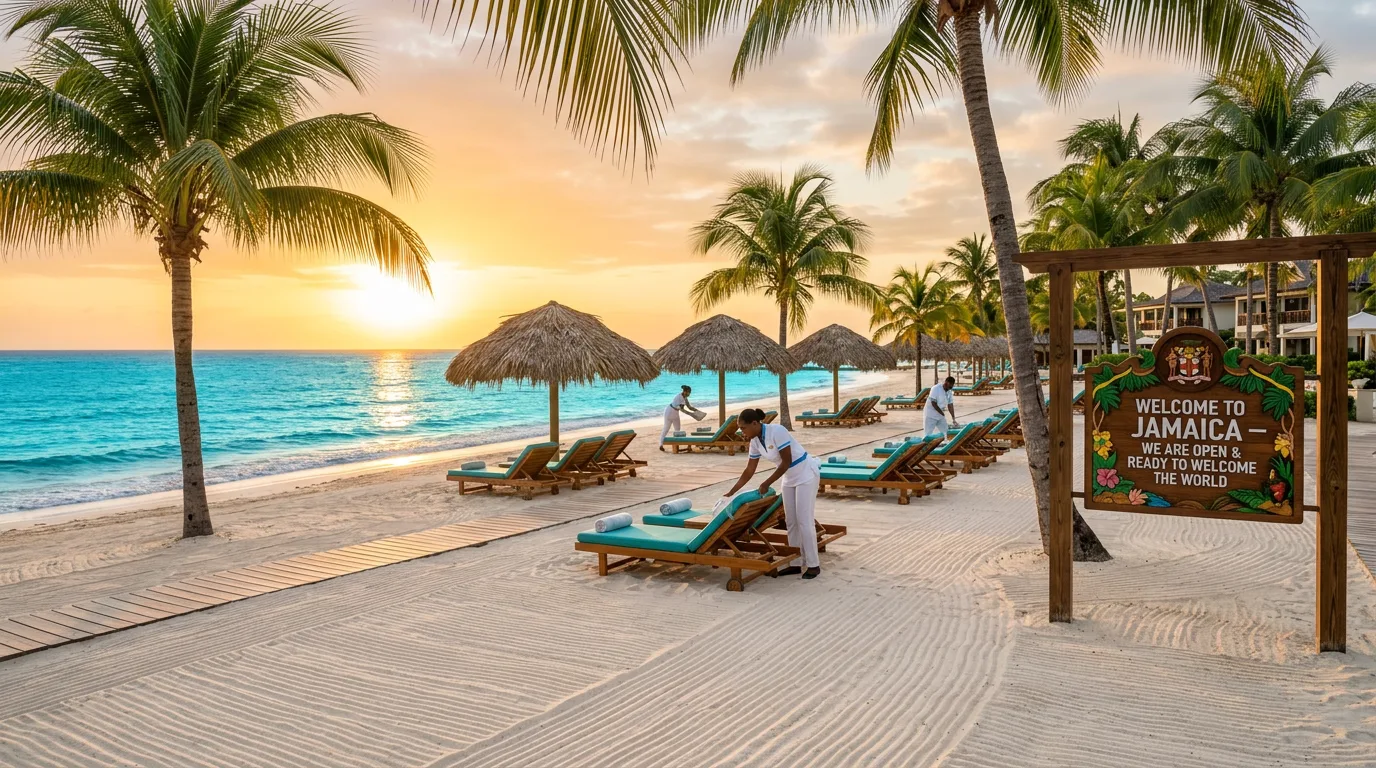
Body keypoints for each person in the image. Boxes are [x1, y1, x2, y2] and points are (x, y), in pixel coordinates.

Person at [723, 408, 822, 579]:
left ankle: (813, 565)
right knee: (791, 521)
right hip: (789, 477)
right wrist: (731, 492)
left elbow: (786, 462)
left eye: (743, 428)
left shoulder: (777, 431)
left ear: (755, 423)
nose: (742, 431)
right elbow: (749, 470)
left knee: (804, 520)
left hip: (805, 473)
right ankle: (796, 563)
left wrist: (767, 483)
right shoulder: (755, 441)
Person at [659, 385, 694, 450]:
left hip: (676, 413)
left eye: (690, 392)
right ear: (684, 391)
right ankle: (661, 445)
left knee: (677, 429)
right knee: (666, 429)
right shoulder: (678, 397)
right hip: (669, 412)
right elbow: (682, 409)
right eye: (688, 392)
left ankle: (676, 445)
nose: (689, 394)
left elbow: (689, 407)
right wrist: (691, 414)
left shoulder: (685, 398)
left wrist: (697, 411)